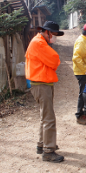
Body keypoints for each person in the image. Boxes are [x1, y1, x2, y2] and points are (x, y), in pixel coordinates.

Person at [25, 21, 65, 163]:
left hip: (41, 84)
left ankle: (42, 145)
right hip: (41, 85)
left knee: (44, 116)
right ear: (46, 32)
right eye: (53, 34)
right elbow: (55, 60)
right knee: (49, 118)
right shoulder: (39, 43)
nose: (54, 37)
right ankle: (48, 151)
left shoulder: (38, 42)